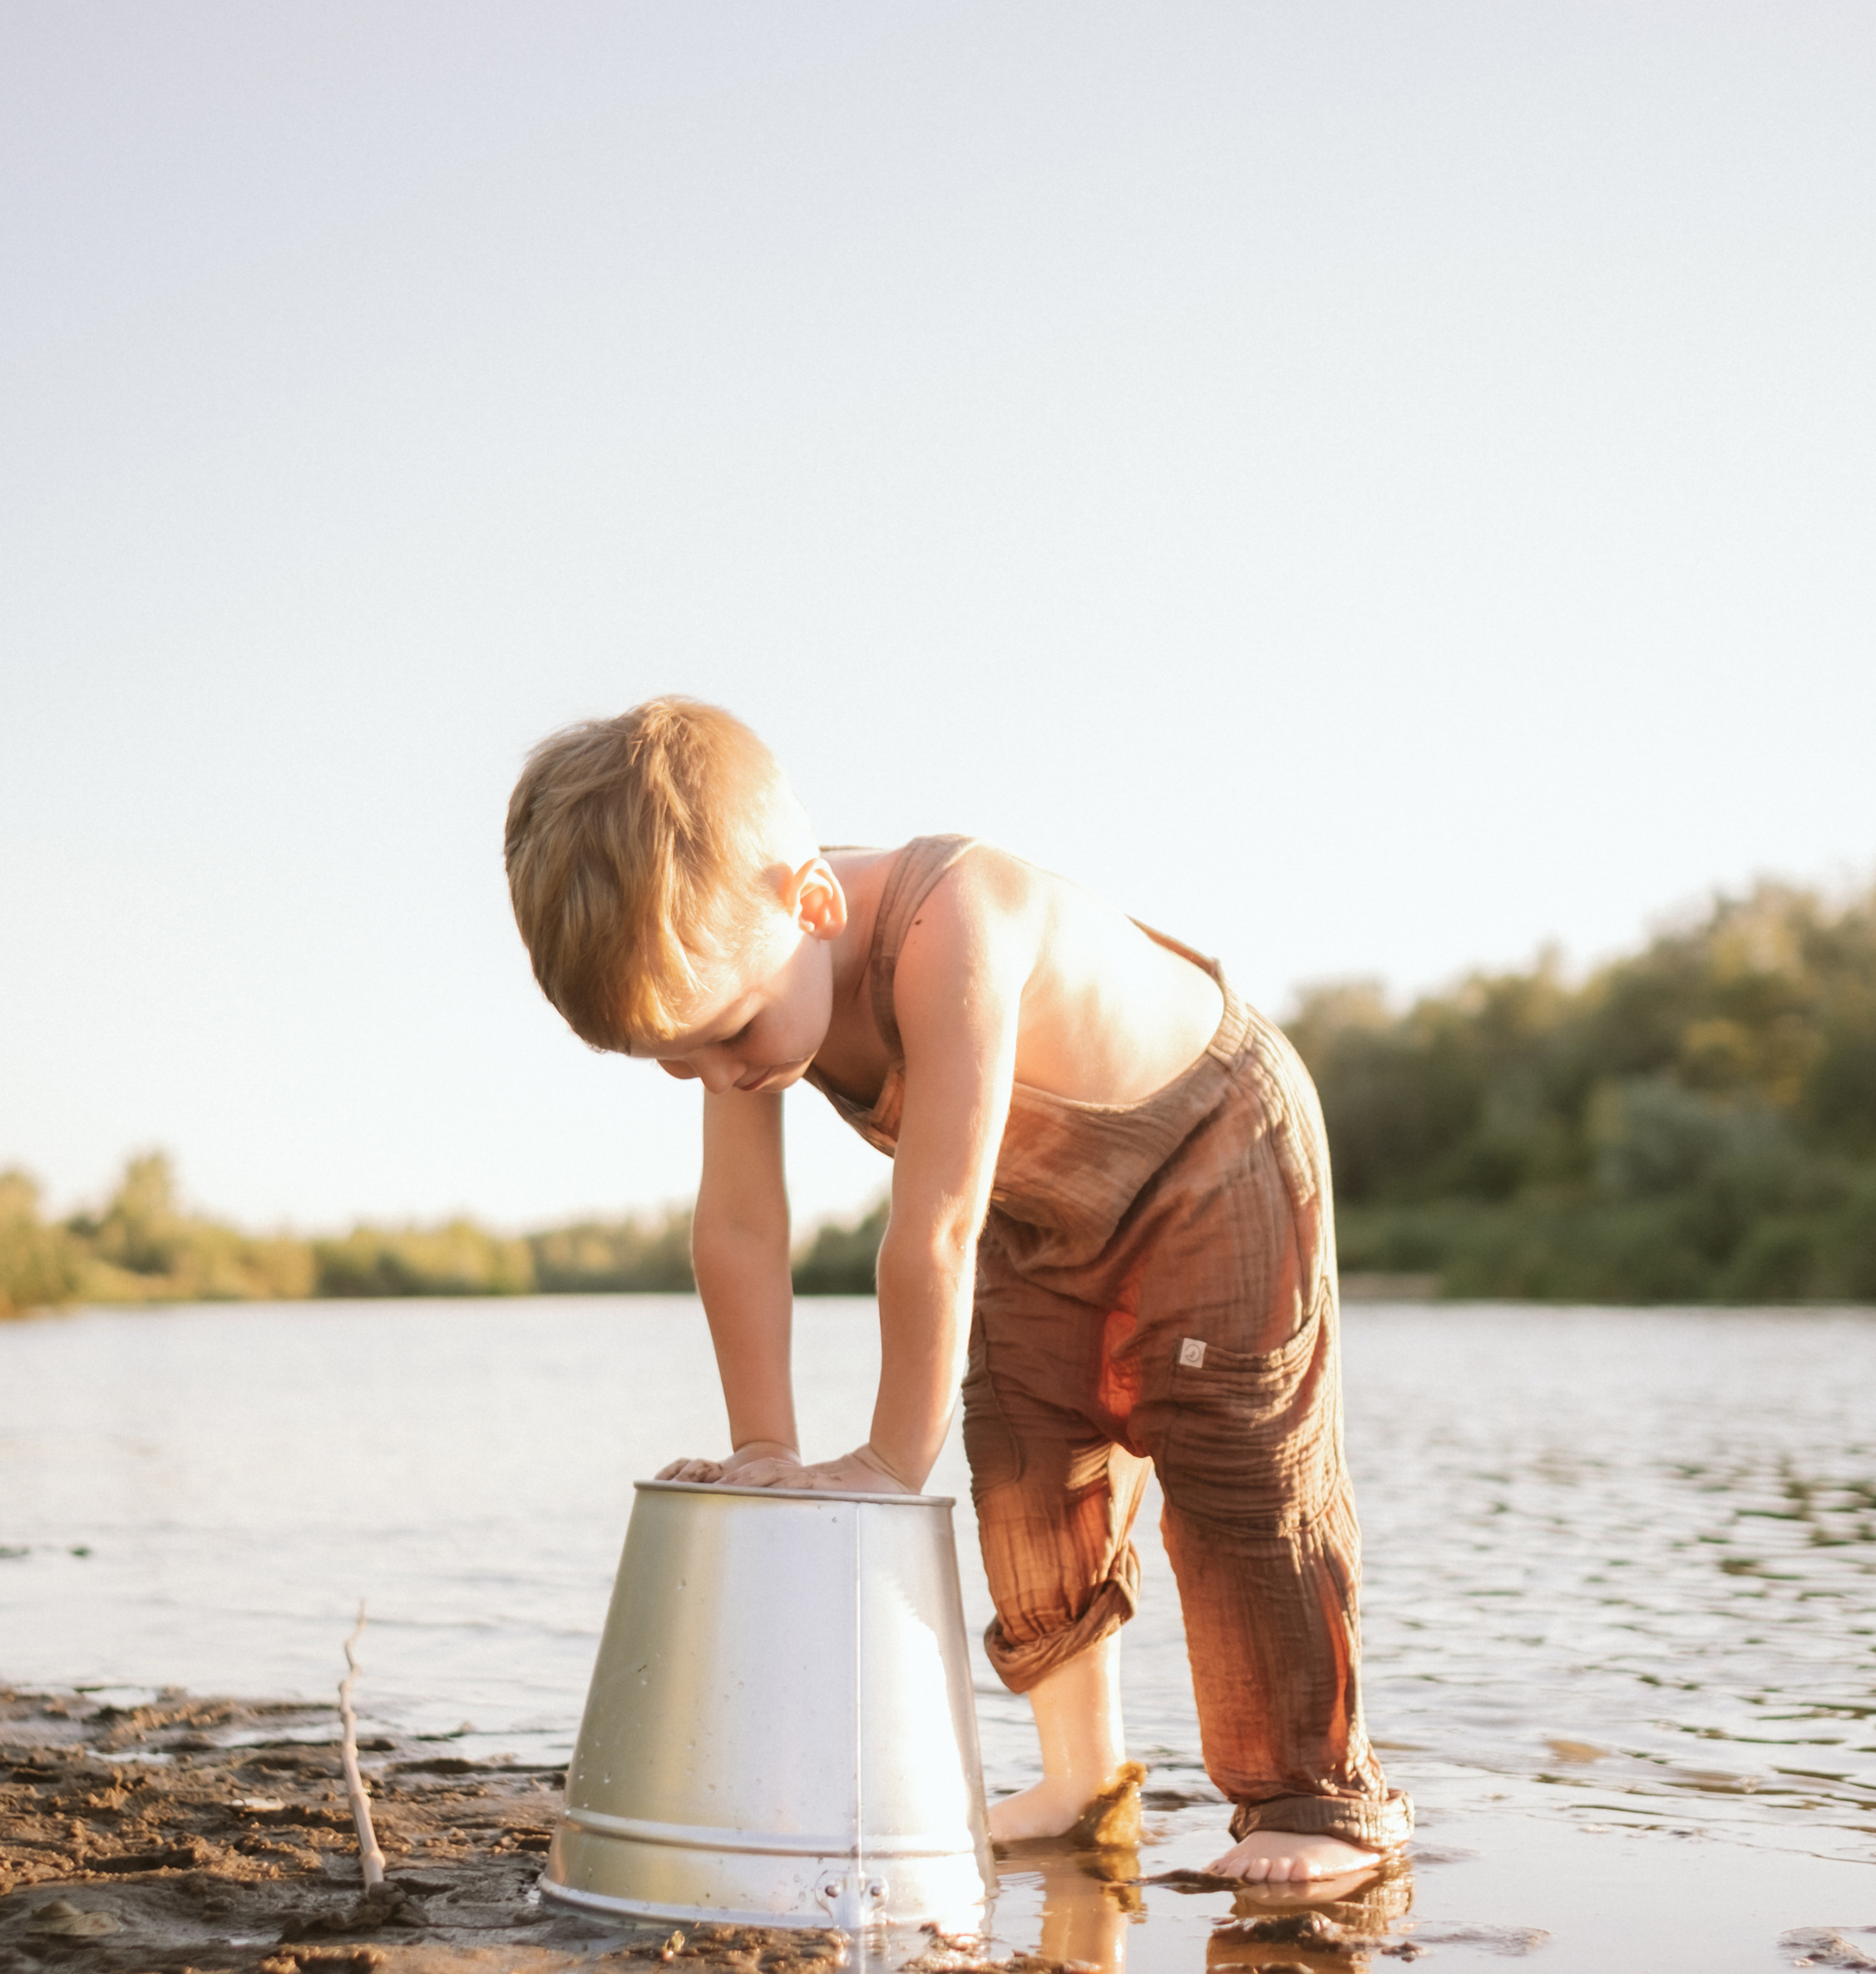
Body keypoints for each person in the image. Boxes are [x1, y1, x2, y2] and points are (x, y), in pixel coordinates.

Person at [502, 697, 1409, 1890]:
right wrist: (765, 1445)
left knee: (1239, 1472)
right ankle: (1086, 1783)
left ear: (812, 905)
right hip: (1051, 1211)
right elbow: (736, 1227)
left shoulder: (951, 925)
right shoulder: (749, 959)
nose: (721, 1075)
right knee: (1028, 1466)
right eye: (679, 1061)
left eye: (726, 1037)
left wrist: (884, 1460)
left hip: (1215, 1149)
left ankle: (1323, 1801)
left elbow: (932, 1229)